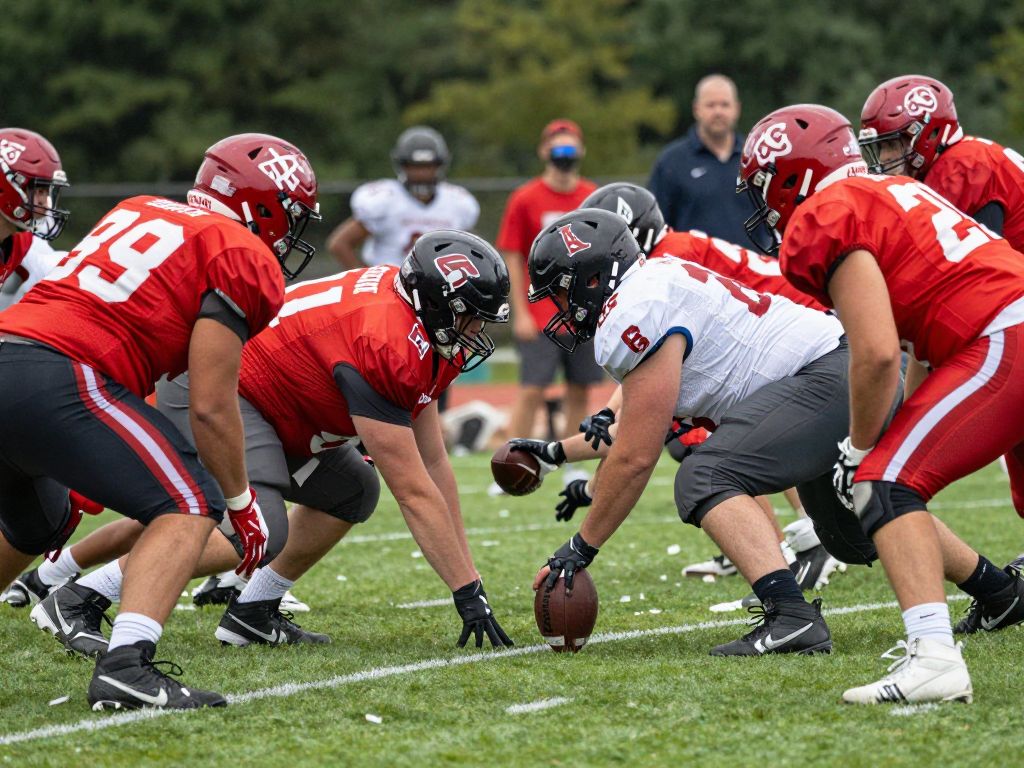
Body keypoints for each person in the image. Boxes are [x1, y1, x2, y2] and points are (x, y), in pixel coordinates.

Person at [31, 231, 515, 654]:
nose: (476, 331)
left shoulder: (421, 330)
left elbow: (434, 462)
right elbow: (412, 489)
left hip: (278, 405)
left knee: (353, 489)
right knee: (257, 527)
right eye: (469, 317)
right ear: (432, 303)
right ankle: (79, 597)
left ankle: (253, 612)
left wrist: (471, 579)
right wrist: (464, 591)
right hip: (226, 387)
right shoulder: (387, 340)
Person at [0, 132, 319, 710]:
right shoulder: (243, 254)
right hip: (64, 372)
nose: (292, 231)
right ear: (264, 206)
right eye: (291, 215)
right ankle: (127, 666)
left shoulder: (136, 207)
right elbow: (210, 403)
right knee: (193, 501)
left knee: (37, 523)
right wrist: (244, 507)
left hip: (10, 350)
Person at [739, 104, 1024, 703]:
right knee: (895, 475)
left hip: (1004, 334)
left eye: (763, 188)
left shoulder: (826, 214)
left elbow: (873, 355)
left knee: (885, 483)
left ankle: (934, 657)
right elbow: (917, 342)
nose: (763, 206)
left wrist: (860, 447)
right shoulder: (892, 188)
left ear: (791, 177)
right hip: (1002, 325)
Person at [525, 207, 883, 657]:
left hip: (824, 377)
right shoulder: (656, 277)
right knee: (856, 532)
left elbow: (637, 455)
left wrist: (580, 548)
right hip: (838, 368)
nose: (558, 309)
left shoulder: (634, 311)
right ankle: (991, 588)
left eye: (559, 292)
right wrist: (554, 455)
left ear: (591, 279)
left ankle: (791, 615)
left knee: (704, 475)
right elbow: (632, 430)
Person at [573, 182, 840, 591]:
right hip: (791, 326)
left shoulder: (661, 266)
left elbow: (650, 356)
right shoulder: (668, 256)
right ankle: (787, 542)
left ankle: (793, 544)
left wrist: (608, 414)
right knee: (740, 429)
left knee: (716, 443)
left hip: (805, 324)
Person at [495, 119, 601, 491]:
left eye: (571, 148)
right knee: (531, 389)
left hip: (582, 310)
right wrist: (519, 310)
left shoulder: (591, 195)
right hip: (540, 312)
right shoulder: (526, 197)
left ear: (582, 151)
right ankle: (507, 462)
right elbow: (511, 254)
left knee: (580, 389)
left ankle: (572, 462)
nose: (564, 155)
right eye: (558, 148)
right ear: (544, 152)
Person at [326, 126, 479, 270]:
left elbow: (475, 250)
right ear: (403, 165)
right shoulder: (385, 200)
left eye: (428, 166)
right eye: (415, 166)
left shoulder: (458, 203)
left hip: (439, 289)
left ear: (439, 165)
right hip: (389, 286)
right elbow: (339, 244)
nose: (422, 174)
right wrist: (365, 281)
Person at [647, 75, 756, 246]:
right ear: (696, 109)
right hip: (693, 270)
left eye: (725, 104)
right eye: (711, 105)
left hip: (751, 269)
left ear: (737, 109)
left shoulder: (756, 157)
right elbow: (656, 226)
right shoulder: (671, 162)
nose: (718, 111)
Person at [0, 128, 69, 311]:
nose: (46, 202)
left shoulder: (20, 243)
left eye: (47, 192)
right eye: (39, 190)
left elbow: (57, 267)